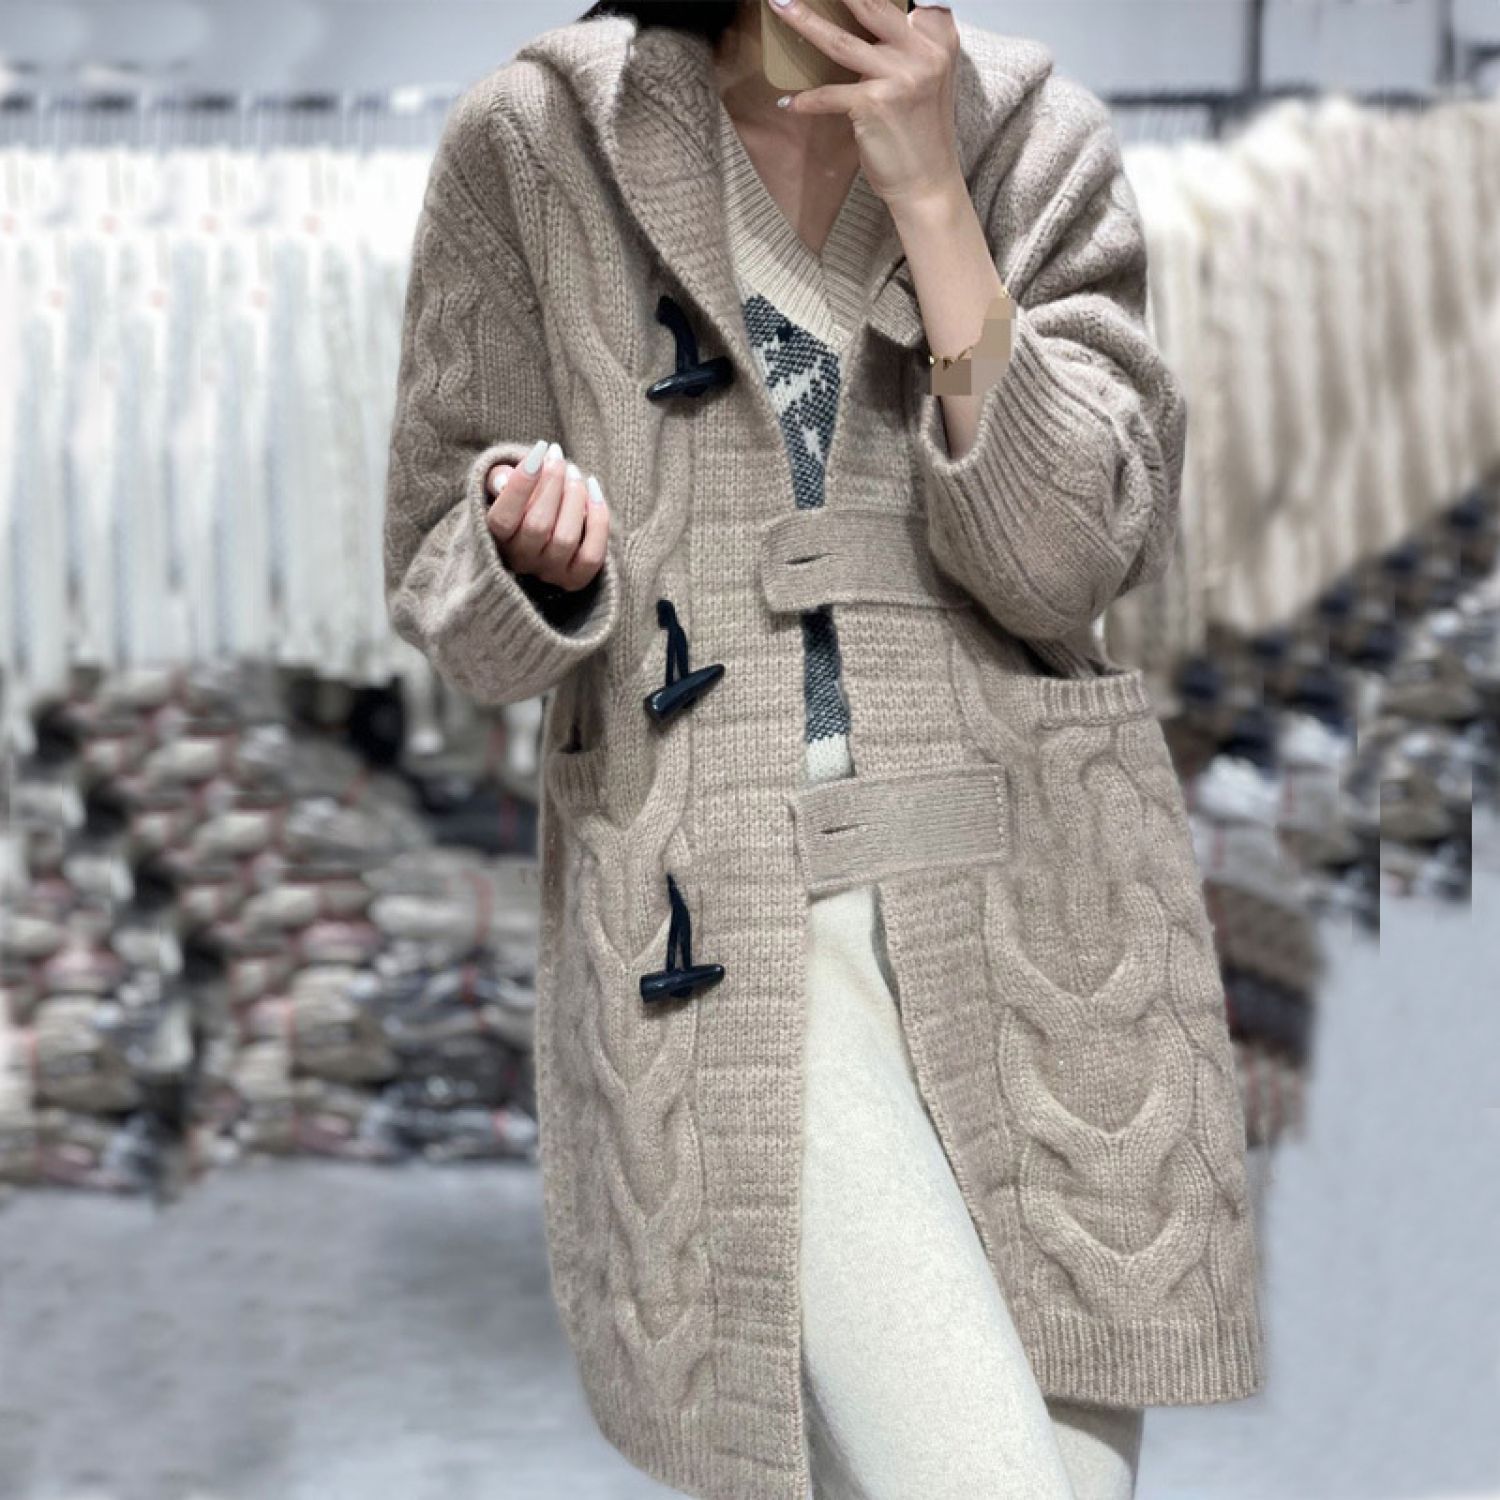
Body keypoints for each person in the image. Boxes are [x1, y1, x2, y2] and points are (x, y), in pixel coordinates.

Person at [382, 4, 1265, 1499]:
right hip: (730, 934)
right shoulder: (538, 142)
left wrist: (930, 192)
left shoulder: (1034, 141)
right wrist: (530, 558)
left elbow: (1064, 565)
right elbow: (442, 576)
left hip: (1045, 939)